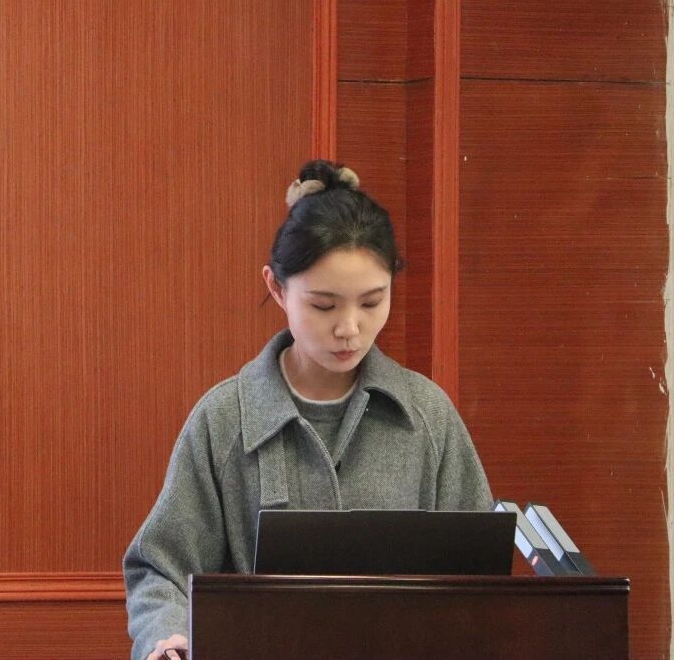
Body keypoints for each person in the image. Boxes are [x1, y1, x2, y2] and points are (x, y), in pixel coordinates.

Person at [123, 160, 493, 660]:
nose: (350, 328)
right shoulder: (224, 419)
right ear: (277, 288)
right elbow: (161, 569)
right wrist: (167, 638)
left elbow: (479, 580)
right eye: (324, 305)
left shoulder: (428, 415)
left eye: (372, 302)